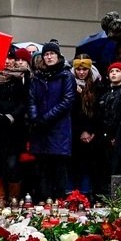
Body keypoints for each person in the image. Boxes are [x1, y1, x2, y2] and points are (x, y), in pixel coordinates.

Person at [26, 41, 75, 200]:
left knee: (58, 167)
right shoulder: (37, 76)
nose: (49, 57)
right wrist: (35, 118)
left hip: (58, 128)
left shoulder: (66, 75)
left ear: (58, 55)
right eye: (46, 54)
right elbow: (31, 99)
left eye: (52, 54)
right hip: (40, 129)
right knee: (42, 167)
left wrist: (46, 117)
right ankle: (43, 201)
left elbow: (67, 100)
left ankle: (59, 202)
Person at [68, 57, 103, 197]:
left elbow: (99, 111)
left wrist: (91, 131)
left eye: (84, 69)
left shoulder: (97, 86)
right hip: (74, 132)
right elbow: (72, 111)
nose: (81, 72)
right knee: (73, 164)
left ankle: (86, 193)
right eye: (78, 69)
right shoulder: (69, 85)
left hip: (92, 132)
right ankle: (71, 194)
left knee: (87, 165)